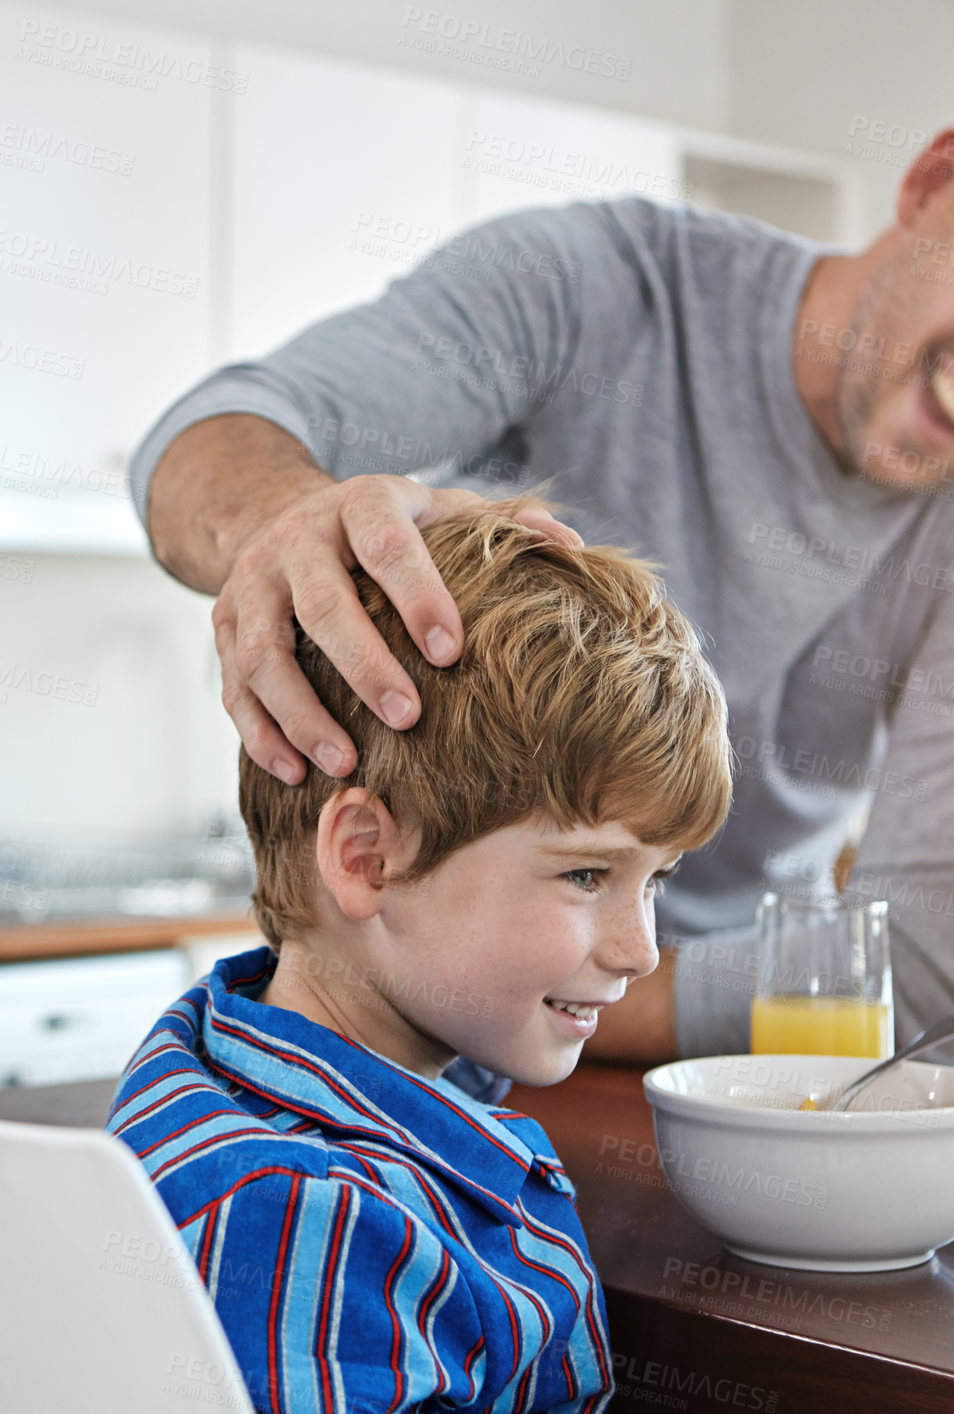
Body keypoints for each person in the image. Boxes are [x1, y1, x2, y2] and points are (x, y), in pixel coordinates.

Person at [129, 15, 954, 1069]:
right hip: (416, 1053)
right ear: (934, 180)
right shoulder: (597, 284)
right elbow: (211, 437)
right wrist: (280, 514)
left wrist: (540, 988)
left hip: (700, 1081)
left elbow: (933, 975)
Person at [105, 497, 734, 1414]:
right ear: (368, 858)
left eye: (657, 881)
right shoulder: (305, 1223)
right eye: (589, 875)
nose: (642, 950)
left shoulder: (235, 1059)